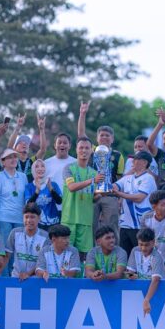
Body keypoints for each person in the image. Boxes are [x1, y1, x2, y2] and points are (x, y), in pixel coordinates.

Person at [78, 102, 125, 242]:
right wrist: (82, 114)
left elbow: (120, 178)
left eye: (107, 135)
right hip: (91, 195)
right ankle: (91, 252)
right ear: (97, 138)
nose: (104, 137)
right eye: (102, 135)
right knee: (90, 227)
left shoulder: (118, 155)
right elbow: (81, 135)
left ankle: (114, 252)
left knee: (112, 227)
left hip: (110, 195)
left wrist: (120, 198)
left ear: (112, 139)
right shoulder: (91, 150)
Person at [62, 137, 102, 256]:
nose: (84, 150)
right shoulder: (68, 168)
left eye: (87, 148)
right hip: (69, 219)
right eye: (81, 148)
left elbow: (93, 197)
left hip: (86, 221)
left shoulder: (95, 173)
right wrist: (92, 181)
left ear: (91, 150)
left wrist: (99, 195)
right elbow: (71, 187)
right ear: (76, 149)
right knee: (66, 254)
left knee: (83, 256)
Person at [114, 151, 158, 255]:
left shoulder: (148, 178)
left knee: (140, 256)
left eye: (136, 159)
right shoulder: (128, 178)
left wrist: (120, 194)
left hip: (140, 225)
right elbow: (115, 186)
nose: (132, 161)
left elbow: (139, 198)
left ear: (144, 162)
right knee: (125, 255)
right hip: (125, 224)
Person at [0, 149, 27, 265]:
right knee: (4, 252)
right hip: (3, 219)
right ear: (3, 161)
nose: (13, 159)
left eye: (15, 156)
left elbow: (26, 199)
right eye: (10, 157)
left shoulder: (23, 176)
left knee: (18, 252)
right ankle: (4, 275)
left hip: (20, 220)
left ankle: (14, 275)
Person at [125, 227, 165, 316]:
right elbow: (128, 274)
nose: (143, 248)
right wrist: (132, 276)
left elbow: (155, 280)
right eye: (141, 244)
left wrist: (146, 300)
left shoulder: (157, 256)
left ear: (153, 242)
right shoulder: (135, 250)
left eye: (147, 245)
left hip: (158, 291)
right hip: (142, 292)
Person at [5, 203, 50, 281]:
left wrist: (28, 274)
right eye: (26, 217)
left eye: (32, 217)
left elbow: (42, 262)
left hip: (35, 280)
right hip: (16, 277)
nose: (29, 220)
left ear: (39, 218)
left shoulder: (45, 237)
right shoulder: (15, 233)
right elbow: (6, 257)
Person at [140, 190, 165, 276]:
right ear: (154, 207)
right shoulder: (146, 218)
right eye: (163, 205)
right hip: (152, 259)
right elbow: (144, 242)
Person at [7, 113, 48, 183]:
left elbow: (43, 150)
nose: (24, 144)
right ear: (15, 148)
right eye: (20, 142)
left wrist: (41, 130)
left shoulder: (32, 161)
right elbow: (9, 148)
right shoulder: (13, 160)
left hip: (29, 189)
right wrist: (18, 127)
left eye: (26, 143)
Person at [24, 159, 63, 231]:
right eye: (37, 166)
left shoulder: (53, 184)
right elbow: (28, 205)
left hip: (53, 222)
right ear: (33, 170)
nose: (40, 169)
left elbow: (60, 201)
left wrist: (51, 189)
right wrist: (37, 192)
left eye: (42, 166)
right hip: (37, 224)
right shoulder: (29, 187)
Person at [43, 133, 76, 204]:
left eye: (65, 143)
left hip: (71, 204)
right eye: (59, 142)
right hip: (52, 205)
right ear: (55, 145)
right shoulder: (46, 163)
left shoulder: (76, 163)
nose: (62, 145)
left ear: (69, 146)